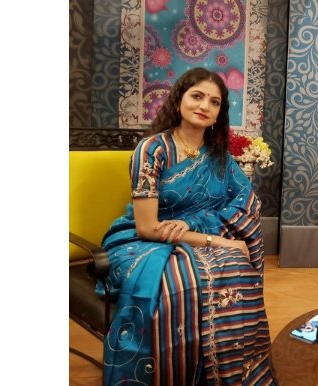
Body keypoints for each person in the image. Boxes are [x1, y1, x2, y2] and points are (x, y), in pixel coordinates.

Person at [98, 67, 275, 385]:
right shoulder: (153, 150)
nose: (205, 106)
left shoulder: (220, 158)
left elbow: (249, 202)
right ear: (179, 99)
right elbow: (148, 227)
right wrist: (221, 241)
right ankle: (175, 374)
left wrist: (193, 224)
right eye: (197, 96)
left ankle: (228, 373)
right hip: (144, 242)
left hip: (192, 236)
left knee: (238, 266)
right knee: (180, 281)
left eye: (214, 102)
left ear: (219, 112)